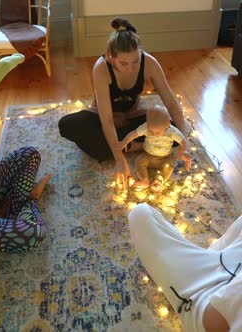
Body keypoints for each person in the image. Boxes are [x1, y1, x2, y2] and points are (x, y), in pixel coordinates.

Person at [58, 17, 187, 189]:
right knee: (67, 124)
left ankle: (128, 145)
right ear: (111, 57)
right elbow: (106, 119)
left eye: (136, 61)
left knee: (172, 133)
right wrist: (120, 160)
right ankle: (135, 146)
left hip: (133, 117)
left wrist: (185, 142)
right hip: (103, 117)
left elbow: (171, 103)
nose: (131, 68)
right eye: (124, 63)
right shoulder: (101, 68)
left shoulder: (150, 63)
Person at [0, 54, 52, 255]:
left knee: (29, 154)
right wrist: (10, 60)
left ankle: (12, 211)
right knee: (33, 233)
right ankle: (31, 199)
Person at [128, 203, 242, 331]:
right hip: (231, 266)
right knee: (141, 212)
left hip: (203, 303)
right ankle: (209, 254)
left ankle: (205, 257)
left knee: (140, 214)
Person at [120, 105, 191, 190]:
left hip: (165, 158)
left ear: (167, 125)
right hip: (148, 155)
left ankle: (159, 180)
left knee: (170, 166)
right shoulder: (146, 127)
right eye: (150, 130)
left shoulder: (172, 132)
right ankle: (144, 180)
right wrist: (124, 142)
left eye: (157, 132)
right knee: (139, 161)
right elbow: (134, 134)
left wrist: (185, 150)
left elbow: (183, 141)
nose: (153, 134)